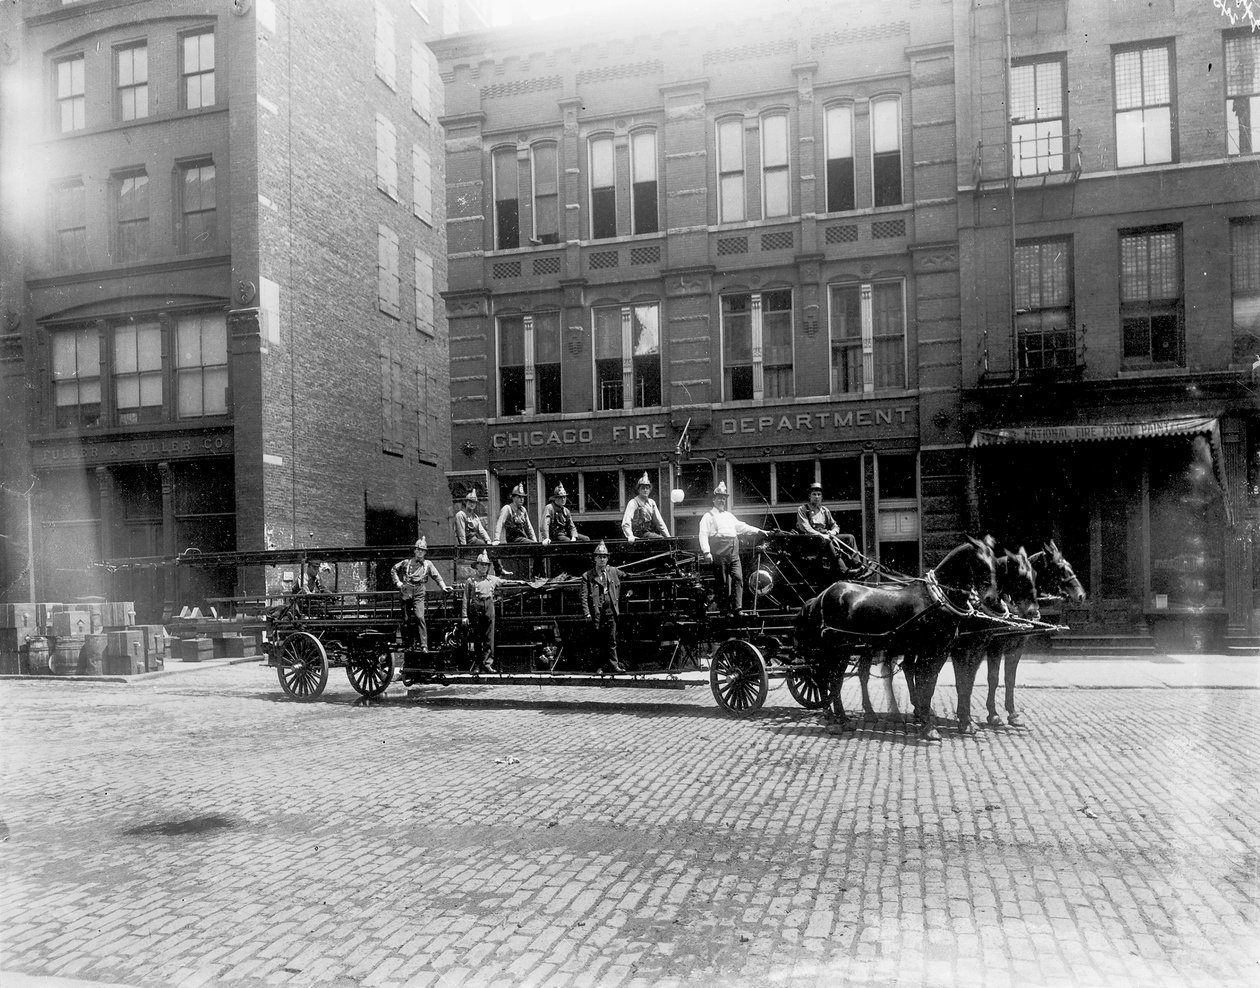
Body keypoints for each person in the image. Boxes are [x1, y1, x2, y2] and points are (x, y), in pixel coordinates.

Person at [698, 481, 766, 617]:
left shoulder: (729, 516)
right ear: (714, 499)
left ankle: (737, 609)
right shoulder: (708, 516)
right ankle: (725, 610)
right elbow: (703, 534)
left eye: (724, 498)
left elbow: (742, 527)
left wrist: (758, 531)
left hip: (733, 551)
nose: (722, 500)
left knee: (738, 578)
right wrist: (706, 552)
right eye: (719, 498)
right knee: (723, 583)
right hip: (719, 552)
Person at [460, 550, 535, 672]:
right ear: (477, 566)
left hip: (489, 606)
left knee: (489, 636)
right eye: (481, 564)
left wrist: (520, 582)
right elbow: (465, 598)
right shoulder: (470, 581)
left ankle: (488, 664)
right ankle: (478, 664)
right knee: (478, 637)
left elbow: (505, 582)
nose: (484, 567)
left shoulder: (492, 579)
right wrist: (464, 616)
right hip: (476, 607)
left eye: (486, 565)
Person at [391, 537, 452, 651]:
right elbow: (394, 569)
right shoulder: (406, 562)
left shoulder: (428, 564)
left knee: (420, 617)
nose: (420, 552)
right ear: (414, 550)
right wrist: (398, 582)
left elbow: (436, 576)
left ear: (425, 552)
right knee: (406, 619)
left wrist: (443, 587)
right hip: (406, 590)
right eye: (418, 549)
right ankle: (408, 645)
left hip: (419, 591)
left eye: (422, 550)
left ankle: (424, 645)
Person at [795, 482, 865, 574]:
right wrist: (822, 536)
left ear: (821, 497)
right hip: (811, 540)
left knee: (849, 538)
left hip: (825, 536)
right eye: (814, 494)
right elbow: (806, 528)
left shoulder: (824, 510)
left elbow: (835, 525)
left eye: (819, 494)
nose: (816, 497)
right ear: (809, 496)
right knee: (828, 541)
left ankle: (858, 566)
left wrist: (833, 532)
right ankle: (844, 570)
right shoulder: (803, 509)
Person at [579, 541, 625, 673]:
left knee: (612, 640)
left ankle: (614, 665)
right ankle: (598, 667)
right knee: (598, 640)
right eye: (599, 556)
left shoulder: (614, 571)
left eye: (604, 557)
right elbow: (583, 596)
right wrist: (587, 613)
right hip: (596, 612)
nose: (602, 559)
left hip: (611, 610)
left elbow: (627, 576)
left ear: (607, 558)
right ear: (594, 559)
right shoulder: (587, 576)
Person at [621, 472, 670, 542]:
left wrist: (668, 537)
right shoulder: (633, 503)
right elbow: (626, 522)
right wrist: (630, 536)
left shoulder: (651, 503)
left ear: (650, 490)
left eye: (647, 488)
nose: (645, 490)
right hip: (638, 534)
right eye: (642, 488)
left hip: (649, 533)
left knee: (662, 540)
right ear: (638, 490)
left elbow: (659, 522)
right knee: (659, 539)